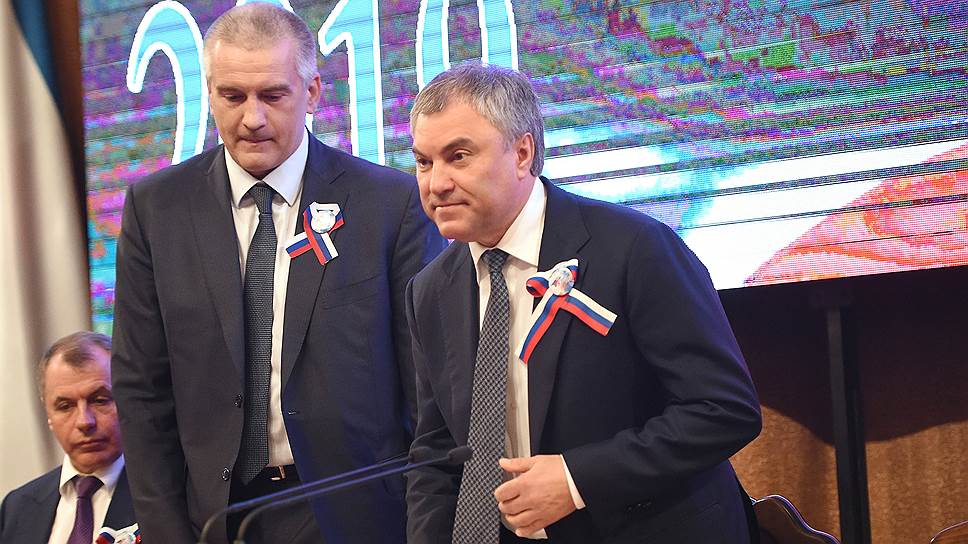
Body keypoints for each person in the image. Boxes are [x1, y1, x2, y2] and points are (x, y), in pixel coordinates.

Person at [111, 4, 446, 543]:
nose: (252, 118)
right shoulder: (157, 209)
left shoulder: (390, 204)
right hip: (215, 520)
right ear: (209, 93)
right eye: (232, 96)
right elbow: (141, 389)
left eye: (272, 95)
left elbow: (426, 389)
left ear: (311, 92)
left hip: (359, 519)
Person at [405, 63, 763, 544]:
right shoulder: (430, 290)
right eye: (424, 162)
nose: (436, 184)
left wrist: (577, 480)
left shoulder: (634, 248)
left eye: (459, 157)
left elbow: (724, 409)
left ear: (522, 153)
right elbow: (437, 453)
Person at [1, 332, 136, 544]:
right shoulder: (17, 508)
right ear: (48, 415)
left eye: (100, 400)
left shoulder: (166, 496)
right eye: (65, 406)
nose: (85, 421)